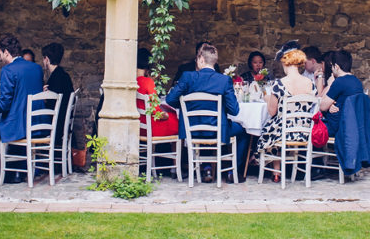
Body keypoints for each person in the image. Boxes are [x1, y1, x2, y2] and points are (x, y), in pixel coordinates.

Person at [166, 43, 248, 183]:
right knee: (243, 131)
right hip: (217, 130)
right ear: (214, 61)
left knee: (208, 127)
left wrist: (186, 105)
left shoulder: (187, 77)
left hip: (192, 130)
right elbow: (234, 110)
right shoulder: (224, 80)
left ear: (201, 59)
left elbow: (170, 99)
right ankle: (231, 171)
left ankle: (207, 168)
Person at [0, 34, 44, 183]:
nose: (0, 58)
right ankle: (17, 171)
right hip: (36, 124)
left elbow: (4, 104)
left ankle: (6, 172)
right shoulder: (36, 68)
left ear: (6, 52)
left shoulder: (8, 70)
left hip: (17, 126)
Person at [256, 43, 317, 182]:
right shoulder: (310, 84)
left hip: (284, 131)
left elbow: (272, 112)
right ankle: (283, 170)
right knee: (275, 126)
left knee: (268, 128)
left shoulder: (280, 84)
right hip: (304, 131)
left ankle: (275, 171)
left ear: (285, 62)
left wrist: (267, 98)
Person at [319, 50, 364, 136]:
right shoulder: (357, 81)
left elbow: (322, 107)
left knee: (313, 127)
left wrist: (329, 85)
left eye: (332, 66)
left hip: (338, 127)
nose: (331, 69)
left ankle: (314, 150)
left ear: (336, 66)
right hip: (353, 126)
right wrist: (330, 105)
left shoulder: (339, 82)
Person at [136, 48, 179, 137]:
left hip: (138, 126)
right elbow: (156, 112)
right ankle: (179, 151)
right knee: (179, 121)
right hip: (151, 128)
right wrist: (166, 115)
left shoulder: (132, 82)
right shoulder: (148, 82)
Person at [42, 42, 74, 145]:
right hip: (64, 123)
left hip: (56, 126)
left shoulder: (54, 78)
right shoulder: (64, 75)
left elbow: (52, 107)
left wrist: (43, 96)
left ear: (46, 59)